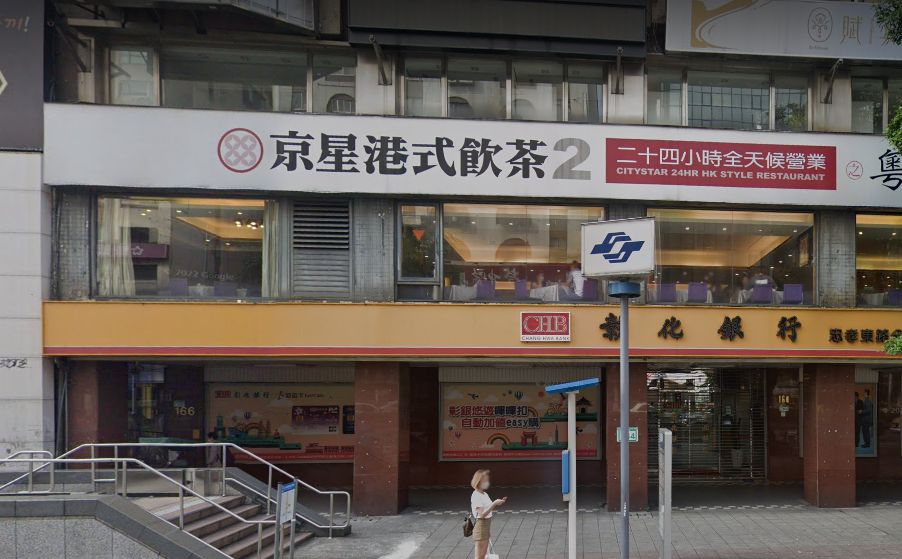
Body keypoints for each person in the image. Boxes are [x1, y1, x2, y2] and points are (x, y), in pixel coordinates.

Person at [470, 469, 506, 559]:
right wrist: (494, 504)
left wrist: (497, 503)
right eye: (485, 480)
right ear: (478, 481)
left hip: (486, 525)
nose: (487, 483)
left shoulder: (484, 494)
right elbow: (482, 515)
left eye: (487, 480)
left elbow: (488, 510)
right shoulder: (476, 495)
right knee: (479, 556)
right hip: (481, 527)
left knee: (484, 555)